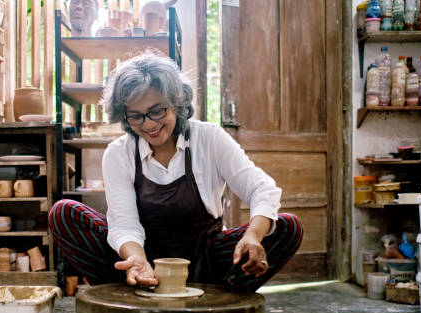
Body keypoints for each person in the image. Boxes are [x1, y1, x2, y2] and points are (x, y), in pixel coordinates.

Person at [50, 50, 303, 292]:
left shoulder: (209, 138)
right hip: (145, 257)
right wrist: (137, 261)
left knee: (287, 227)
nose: (148, 124)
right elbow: (124, 223)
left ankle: (217, 299)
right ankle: (134, 293)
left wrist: (253, 236)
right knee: (64, 213)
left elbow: (261, 189)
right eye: (136, 116)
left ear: (177, 102)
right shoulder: (119, 153)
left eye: (157, 110)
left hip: (207, 262)